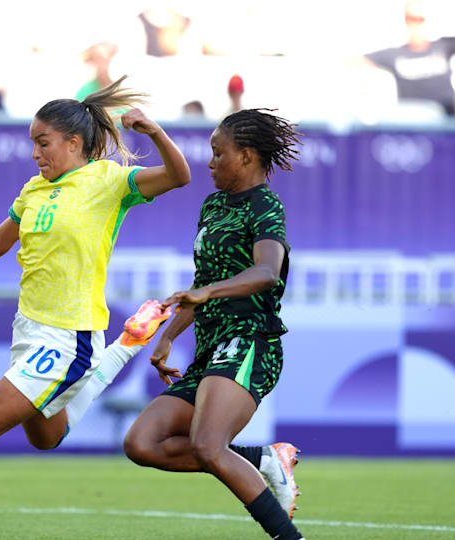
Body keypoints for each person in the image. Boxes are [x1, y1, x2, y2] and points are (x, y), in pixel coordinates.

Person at [0, 76, 192, 540]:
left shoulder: (108, 182)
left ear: (73, 142)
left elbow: (180, 176)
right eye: (33, 143)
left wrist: (156, 132)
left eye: (43, 143)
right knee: (47, 437)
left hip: (68, 338)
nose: (34, 153)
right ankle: (128, 343)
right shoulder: (34, 189)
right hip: (28, 331)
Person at [123, 109, 304, 540]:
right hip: (210, 349)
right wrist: (168, 337)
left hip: (249, 341)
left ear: (246, 156)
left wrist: (207, 292)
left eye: (218, 153)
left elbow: (266, 272)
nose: (210, 162)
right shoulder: (214, 205)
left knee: (208, 446)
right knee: (141, 444)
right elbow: (202, 285)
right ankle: (264, 460)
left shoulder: (265, 205)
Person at [363, 0, 455, 116]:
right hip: (413, 115)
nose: (416, 24)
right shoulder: (394, 54)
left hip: (447, 114)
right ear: (405, 20)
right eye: (411, 18)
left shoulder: (443, 45)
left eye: (420, 19)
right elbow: (357, 61)